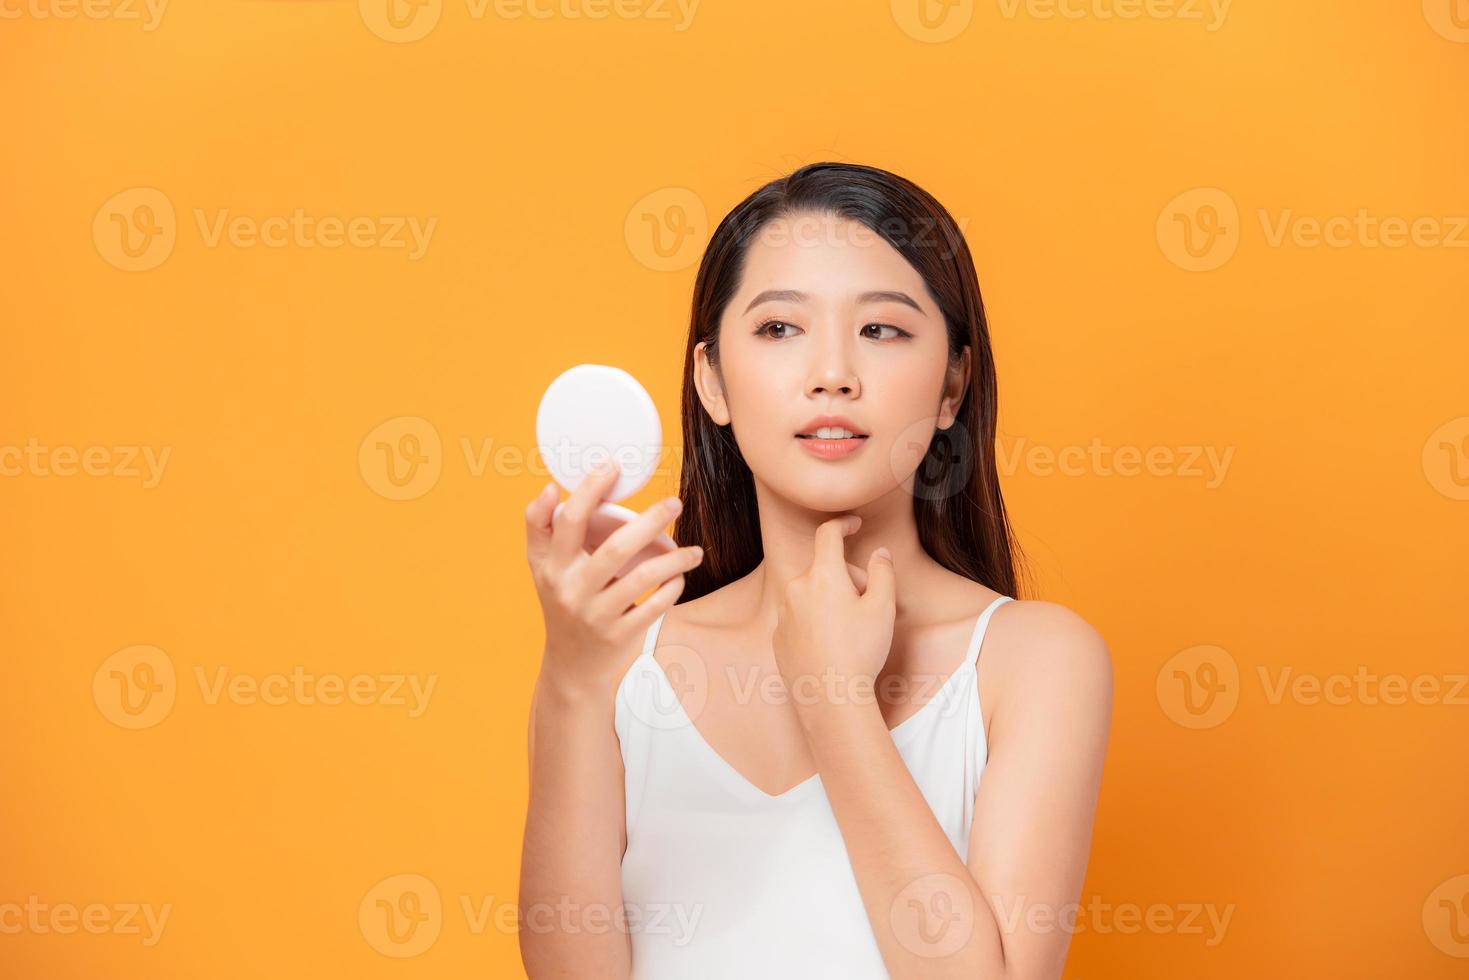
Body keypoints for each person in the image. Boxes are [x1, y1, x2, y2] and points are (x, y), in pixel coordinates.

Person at [519, 162, 1112, 979]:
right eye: (777, 329)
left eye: (882, 330)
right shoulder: (622, 660)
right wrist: (572, 684)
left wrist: (831, 696)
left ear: (952, 386)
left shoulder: (1033, 661)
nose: (832, 373)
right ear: (711, 381)